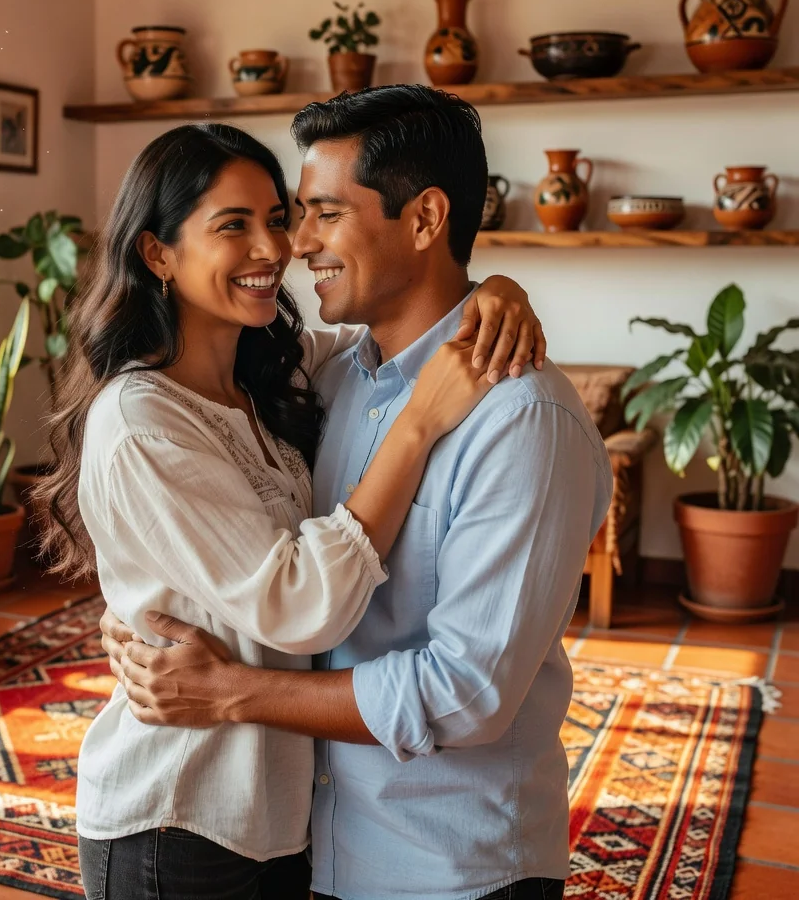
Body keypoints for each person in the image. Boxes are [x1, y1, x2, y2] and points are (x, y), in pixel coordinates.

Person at [104, 86, 615, 900]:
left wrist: (234, 692)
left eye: (320, 214)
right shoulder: (334, 379)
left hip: (458, 866)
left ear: (423, 220)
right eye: (289, 215)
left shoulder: (523, 419)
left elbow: (469, 693)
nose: (294, 245)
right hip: (324, 844)